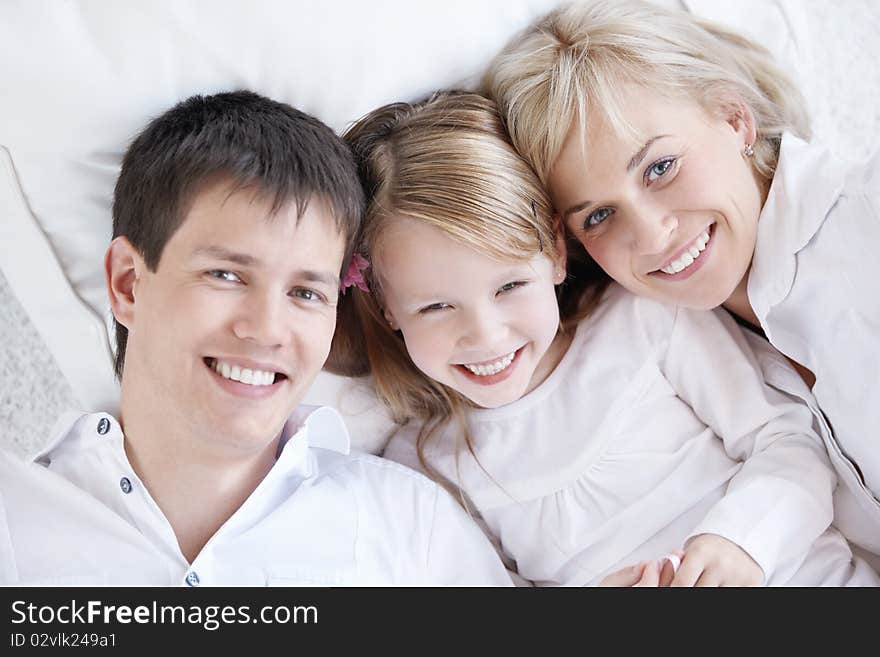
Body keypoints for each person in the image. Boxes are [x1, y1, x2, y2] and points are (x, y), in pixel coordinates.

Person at [329, 90, 878, 586]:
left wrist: (740, 544)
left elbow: (791, 443)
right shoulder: (428, 467)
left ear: (556, 256)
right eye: (437, 306)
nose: (486, 335)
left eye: (511, 285)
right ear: (385, 306)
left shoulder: (643, 324)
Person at [0, 90, 512, 586]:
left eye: (307, 293)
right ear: (128, 284)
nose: (267, 329)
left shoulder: (410, 529)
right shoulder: (14, 525)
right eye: (226, 275)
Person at [483, 0, 880, 553]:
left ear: (733, 117)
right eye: (598, 216)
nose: (650, 236)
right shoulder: (674, 353)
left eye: (660, 167)